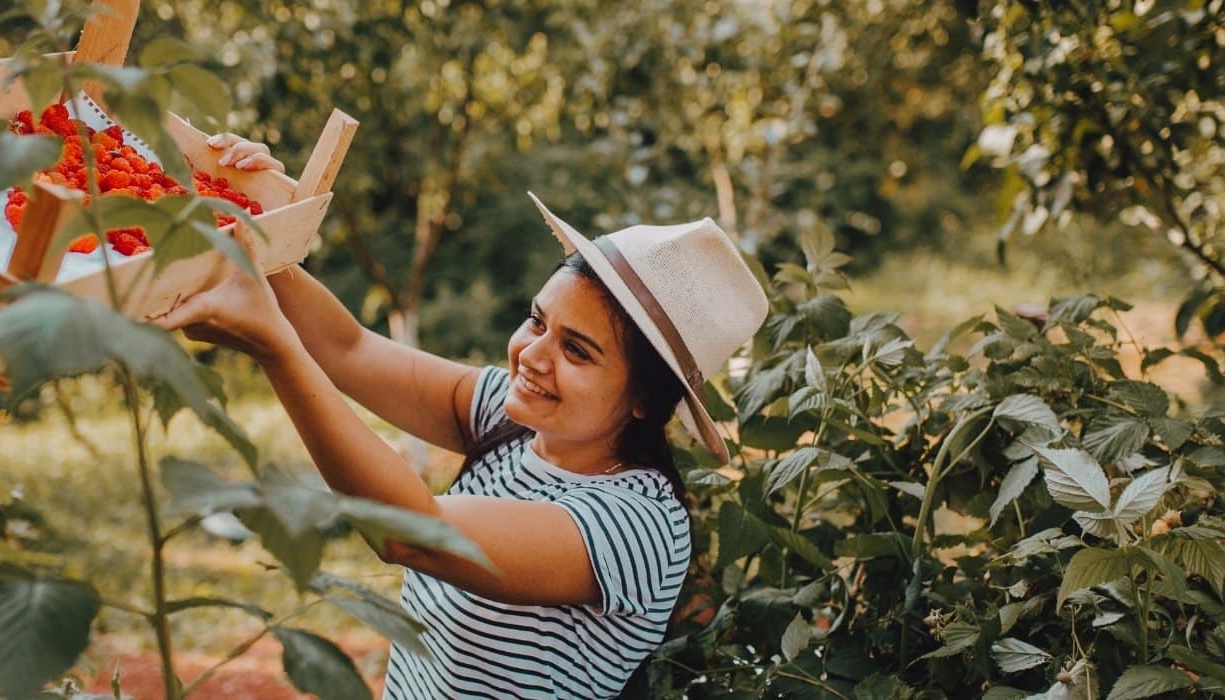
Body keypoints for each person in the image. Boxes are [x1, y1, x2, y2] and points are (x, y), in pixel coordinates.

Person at [152, 135, 768, 698]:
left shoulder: (635, 525)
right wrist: (253, 224)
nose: (533, 354)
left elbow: (410, 533)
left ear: (645, 401)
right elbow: (350, 349)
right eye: (537, 320)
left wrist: (274, 347)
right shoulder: (511, 417)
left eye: (577, 350)